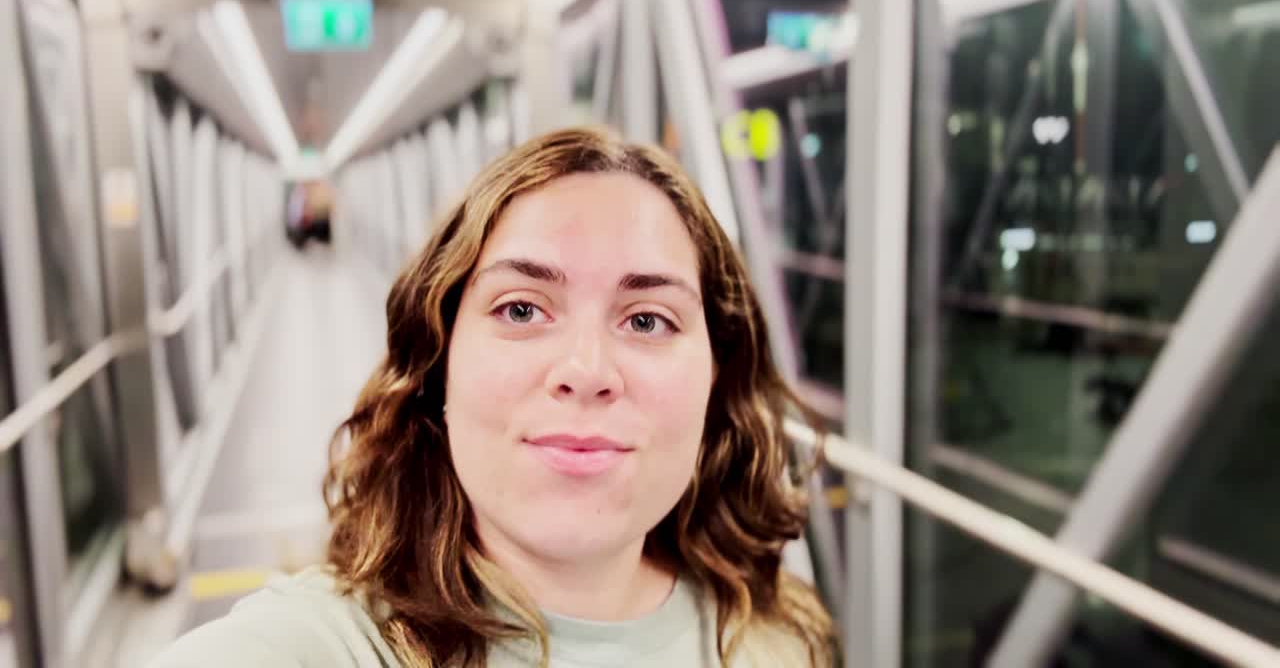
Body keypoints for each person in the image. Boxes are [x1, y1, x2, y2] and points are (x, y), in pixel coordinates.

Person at [149, 127, 834, 667]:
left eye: (647, 319)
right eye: (522, 309)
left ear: (718, 374)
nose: (587, 369)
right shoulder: (329, 646)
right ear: (439, 362)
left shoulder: (777, 632)